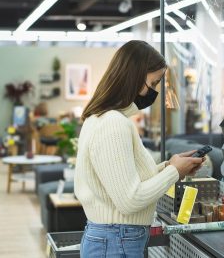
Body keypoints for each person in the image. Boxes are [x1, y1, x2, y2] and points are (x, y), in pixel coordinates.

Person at [74, 40, 204, 258]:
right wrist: (174, 173)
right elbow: (129, 200)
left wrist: (169, 167)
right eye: (153, 83)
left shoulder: (103, 118)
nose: (153, 92)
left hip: (114, 239)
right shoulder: (114, 123)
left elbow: (125, 180)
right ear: (133, 76)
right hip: (117, 240)